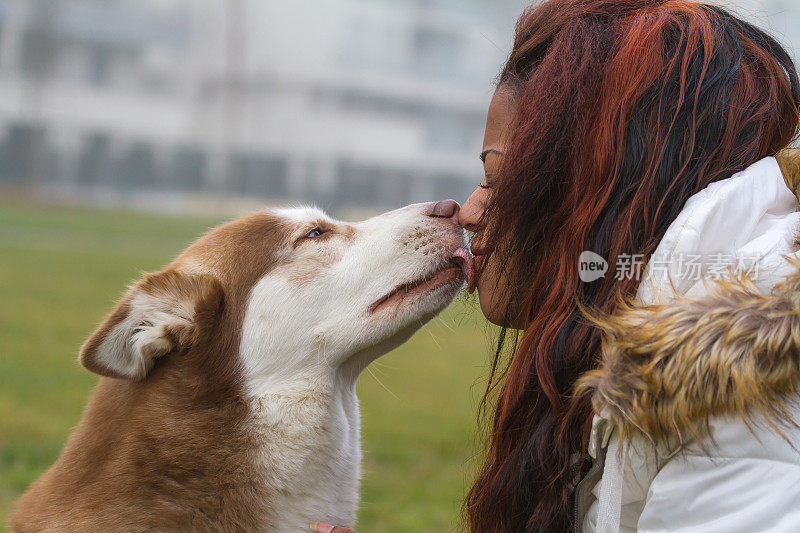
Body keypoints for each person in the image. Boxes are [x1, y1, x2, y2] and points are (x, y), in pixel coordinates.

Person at [316, 0, 800, 531]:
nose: (471, 212)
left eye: (499, 179)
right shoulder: (648, 349)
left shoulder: (749, 384)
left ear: (606, 186)